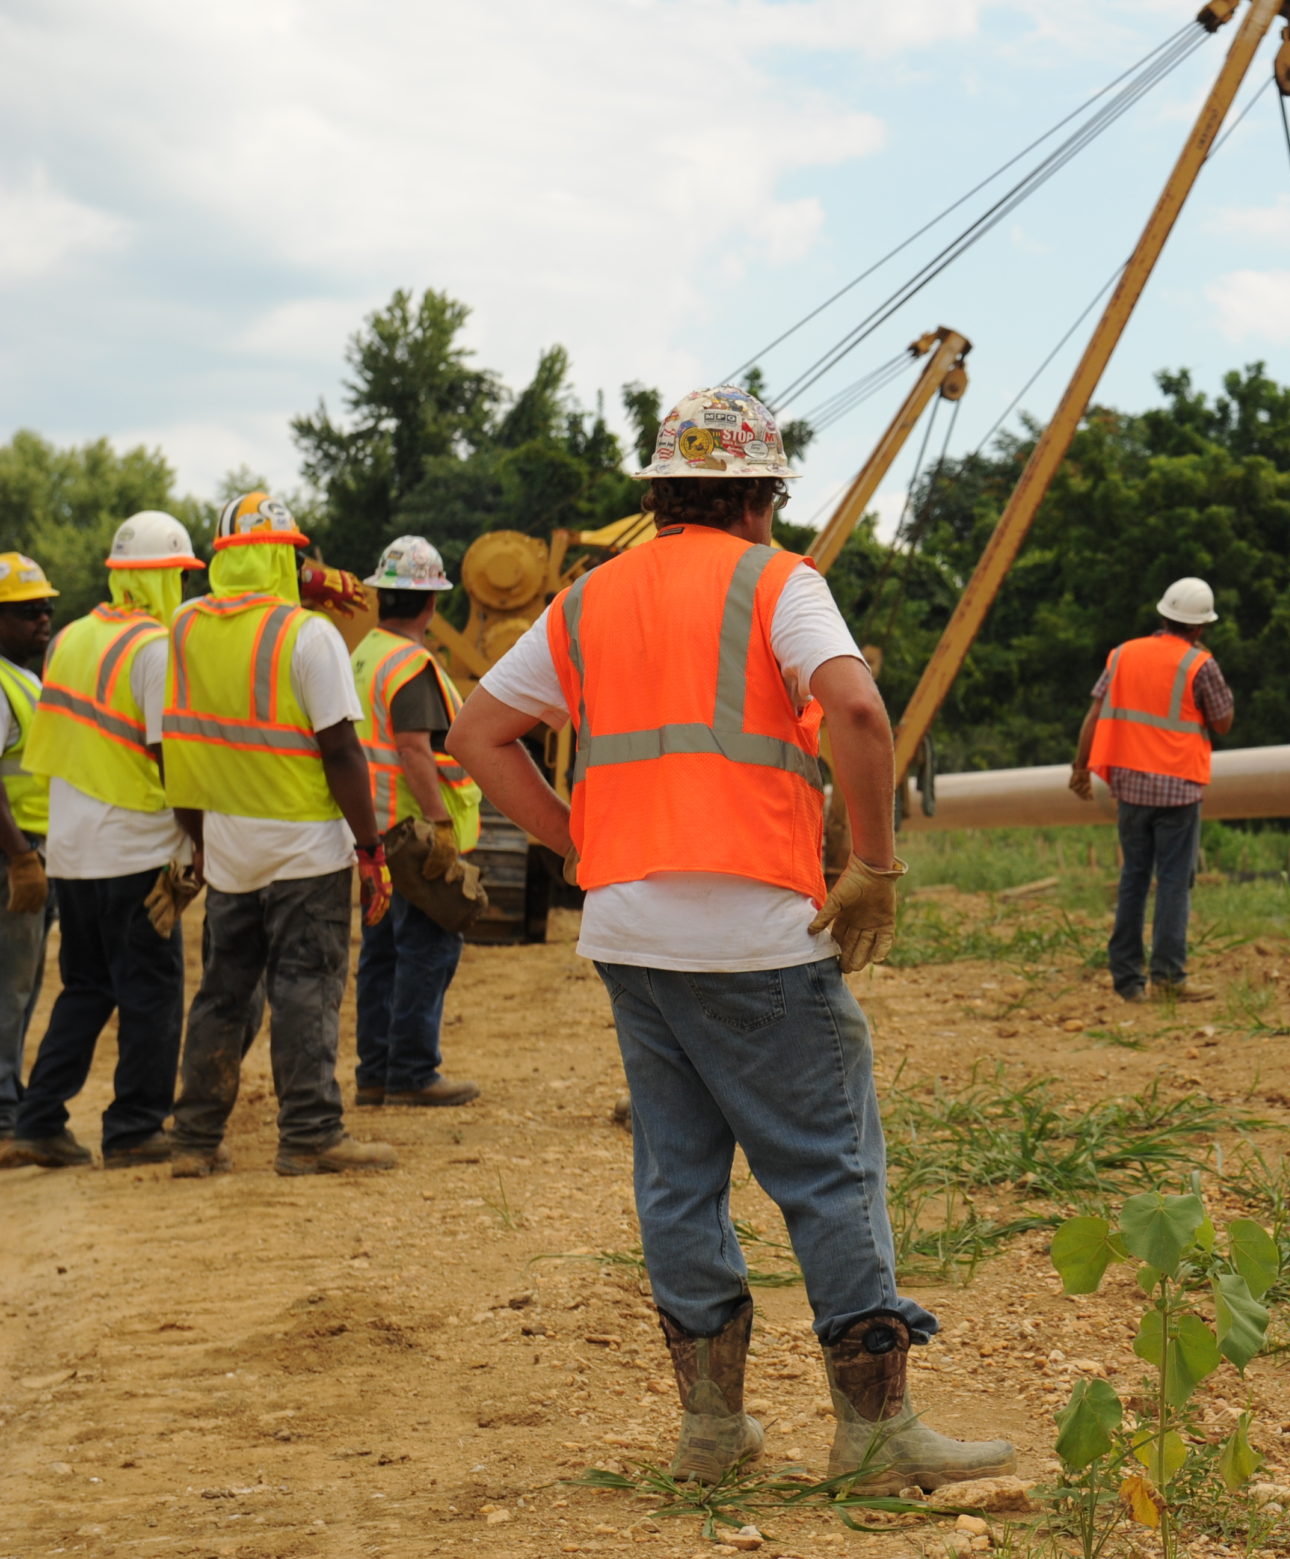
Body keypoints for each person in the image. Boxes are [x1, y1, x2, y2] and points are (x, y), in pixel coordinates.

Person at [449, 386, 1012, 1492]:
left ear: (660, 493)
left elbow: (478, 731)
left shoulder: (588, 597)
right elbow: (855, 709)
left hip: (630, 932)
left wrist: (578, 843)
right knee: (830, 1165)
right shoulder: (778, 581)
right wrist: (877, 869)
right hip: (755, 928)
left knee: (677, 1173)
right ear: (761, 494)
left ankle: (711, 1429)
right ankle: (877, 1430)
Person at [162, 492, 396, 1179]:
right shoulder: (307, 633)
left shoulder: (184, 625)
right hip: (303, 846)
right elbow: (342, 750)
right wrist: (371, 848)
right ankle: (311, 1133)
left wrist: (198, 840)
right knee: (305, 985)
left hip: (228, 842)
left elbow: (180, 742)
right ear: (281, 555)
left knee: (223, 991)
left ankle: (195, 1138)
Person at [0, 516, 203, 1169]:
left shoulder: (70, 640)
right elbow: (167, 754)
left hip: (71, 850)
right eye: (180, 573)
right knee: (151, 987)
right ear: (162, 575)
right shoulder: (155, 648)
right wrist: (201, 840)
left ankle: (37, 1122)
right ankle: (137, 1127)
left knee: (86, 986)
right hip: (137, 848)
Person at [349, 535, 482, 1109]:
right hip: (415, 838)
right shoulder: (411, 663)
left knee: (380, 954)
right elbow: (413, 748)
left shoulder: (363, 655)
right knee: (428, 951)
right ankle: (412, 1071)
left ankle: (375, 1071)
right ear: (432, 602)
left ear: (381, 597)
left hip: (374, 832)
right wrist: (441, 825)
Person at [1068, 576, 1234, 1001]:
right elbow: (1224, 722)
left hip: (1129, 787)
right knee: (1174, 882)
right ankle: (1168, 977)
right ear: (1198, 627)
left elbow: (1094, 711)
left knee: (1133, 879)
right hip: (1179, 789)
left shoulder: (1123, 654)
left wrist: (1081, 766)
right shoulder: (1200, 664)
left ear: (1162, 615)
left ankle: (1127, 980)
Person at [0, 552, 59, 1126]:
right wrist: (20, 855)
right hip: (12, 851)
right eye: (26, 611)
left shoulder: (25, 679)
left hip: (32, 847)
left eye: (45, 607)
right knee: (10, 986)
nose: (42, 619)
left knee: (23, 984)